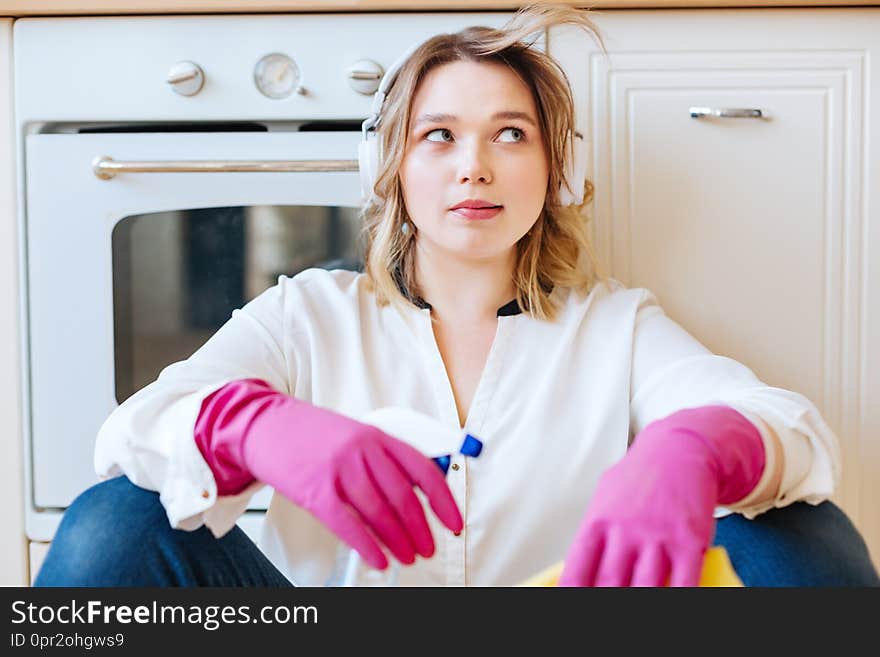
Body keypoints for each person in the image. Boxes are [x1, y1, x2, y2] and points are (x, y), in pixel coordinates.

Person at [35, 4, 878, 587]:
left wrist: (693, 449)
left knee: (803, 532)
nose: (474, 165)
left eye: (510, 135)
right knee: (117, 521)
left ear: (556, 173)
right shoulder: (307, 316)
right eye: (439, 136)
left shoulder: (615, 328)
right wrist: (251, 427)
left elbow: (798, 436)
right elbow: (130, 435)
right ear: (393, 172)